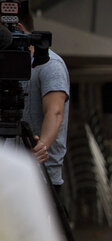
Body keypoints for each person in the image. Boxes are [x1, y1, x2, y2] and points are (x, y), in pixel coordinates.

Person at [18, 8, 70, 193]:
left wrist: (42, 146)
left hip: (41, 177)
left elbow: (55, 112)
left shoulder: (50, 64)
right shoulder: (9, 65)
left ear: (17, 27)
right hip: (11, 174)